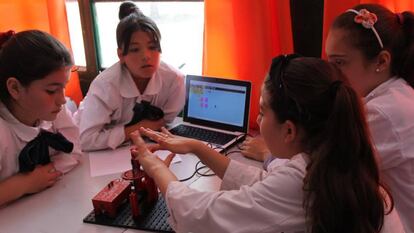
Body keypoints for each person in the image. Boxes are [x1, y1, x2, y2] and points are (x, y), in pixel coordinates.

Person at [130, 55, 404, 233]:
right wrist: (198, 147)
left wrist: (154, 167)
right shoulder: (333, 159)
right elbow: (263, 182)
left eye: (262, 111)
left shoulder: (303, 182)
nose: (258, 120)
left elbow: (202, 213)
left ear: (289, 130)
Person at [325, 4, 414, 232]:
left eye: (340, 63)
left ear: (381, 62)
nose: (331, 73)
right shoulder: (391, 95)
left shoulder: (385, 113)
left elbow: (326, 168)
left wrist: (269, 155)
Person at [75, 2, 185, 151]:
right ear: (121, 55)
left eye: (152, 47)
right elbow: (86, 140)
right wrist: (139, 127)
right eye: (135, 49)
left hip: (142, 147)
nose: (146, 56)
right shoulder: (105, 85)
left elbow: (163, 123)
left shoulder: (174, 80)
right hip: (94, 152)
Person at [0, 30, 81, 206]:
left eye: (63, 87)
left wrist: (45, 175)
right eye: (51, 91)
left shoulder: (53, 110)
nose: (61, 100)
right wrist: (24, 183)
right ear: (15, 88)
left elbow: (75, 150)